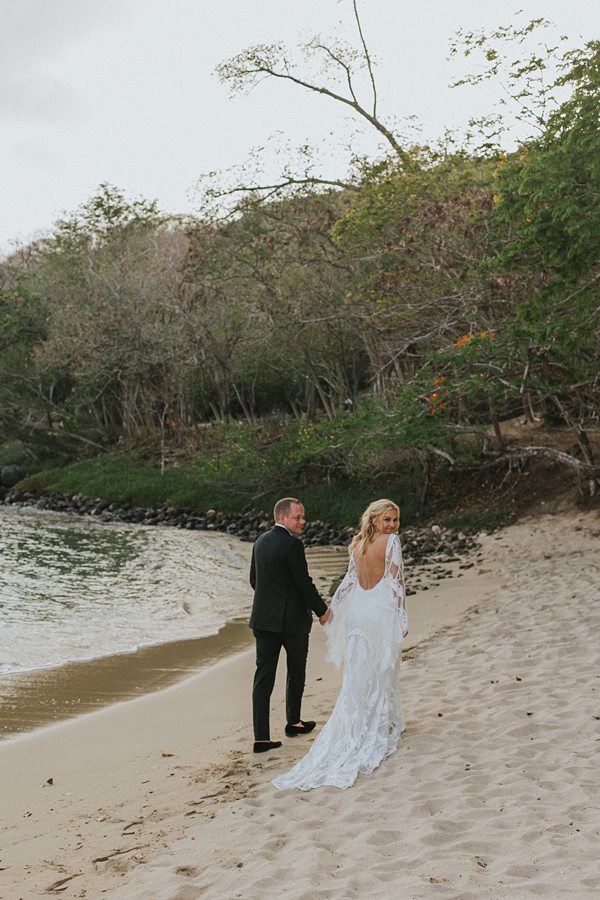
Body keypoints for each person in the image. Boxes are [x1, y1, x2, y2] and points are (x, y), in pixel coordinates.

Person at [272, 498, 408, 790]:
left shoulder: (357, 545)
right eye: (387, 520)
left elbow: (348, 582)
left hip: (358, 613)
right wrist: (401, 618)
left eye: (395, 520)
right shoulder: (392, 542)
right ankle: (381, 724)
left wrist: (332, 610)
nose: (392, 526)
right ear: (374, 520)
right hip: (379, 610)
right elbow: (396, 583)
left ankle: (361, 723)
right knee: (381, 668)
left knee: (359, 672)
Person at [249, 497, 330, 754]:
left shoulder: (260, 541)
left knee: (263, 679)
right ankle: (293, 722)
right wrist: (322, 610)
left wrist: (273, 600)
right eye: (298, 517)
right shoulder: (293, 545)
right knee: (296, 672)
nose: (302, 521)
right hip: (292, 622)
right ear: (282, 518)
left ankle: (261, 738)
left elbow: (254, 580)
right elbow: (303, 583)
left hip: (263, 620)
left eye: (302, 517)